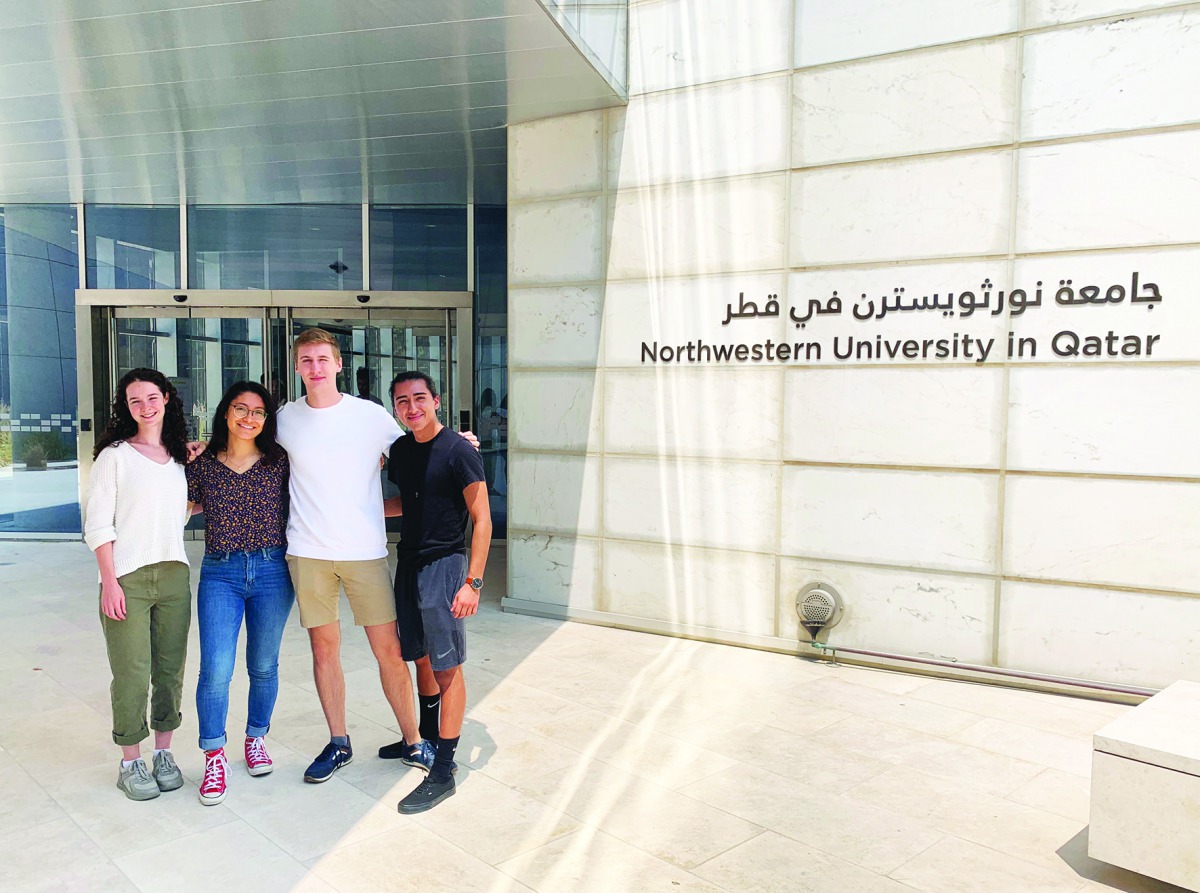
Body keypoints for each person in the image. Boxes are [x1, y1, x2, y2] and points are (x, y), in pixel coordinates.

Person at [277, 328, 473, 783]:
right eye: (306, 360)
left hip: (364, 552)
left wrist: (458, 444)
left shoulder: (370, 416)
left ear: (339, 364)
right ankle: (338, 742)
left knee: (389, 651)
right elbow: (245, 448)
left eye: (323, 359)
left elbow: (421, 448)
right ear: (297, 366)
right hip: (307, 551)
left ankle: (413, 741)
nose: (315, 368)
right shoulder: (285, 418)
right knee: (324, 650)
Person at [381, 371, 491, 813]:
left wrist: (473, 583)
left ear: (437, 401)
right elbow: (409, 503)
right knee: (420, 655)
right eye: (403, 401)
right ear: (395, 408)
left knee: (448, 667)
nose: (413, 407)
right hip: (407, 562)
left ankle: (444, 768)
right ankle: (425, 738)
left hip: (445, 565)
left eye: (420, 398)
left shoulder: (459, 450)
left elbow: (481, 518)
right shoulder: (402, 450)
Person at [84, 368, 192, 801]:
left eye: (151, 398)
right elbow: (97, 525)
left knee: (170, 671)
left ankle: (163, 753)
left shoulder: (180, 456)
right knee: (131, 673)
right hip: (126, 577)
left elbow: (174, 513)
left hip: (174, 575)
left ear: (166, 398)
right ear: (126, 408)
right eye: (135, 401)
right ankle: (130, 761)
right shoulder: (114, 455)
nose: (145, 407)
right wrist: (109, 582)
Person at [186, 382, 294, 805]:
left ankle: (255, 738)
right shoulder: (202, 465)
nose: (249, 418)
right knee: (215, 669)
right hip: (221, 573)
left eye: (258, 412)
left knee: (264, 665)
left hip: (272, 570)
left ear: (267, 420)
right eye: (240, 408)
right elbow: (170, 498)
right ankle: (215, 755)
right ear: (225, 413)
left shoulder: (280, 462)